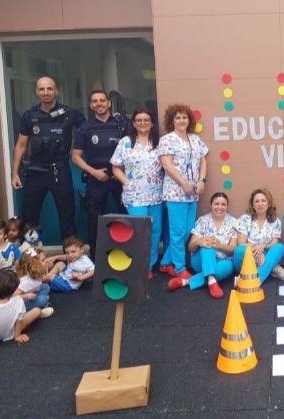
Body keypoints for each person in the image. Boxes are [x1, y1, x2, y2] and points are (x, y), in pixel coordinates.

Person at [11, 76, 86, 239]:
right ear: (37, 92)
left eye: (49, 89)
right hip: (35, 171)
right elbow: (21, 145)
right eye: (42, 89)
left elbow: (89, 131)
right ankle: (30, 259)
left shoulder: (70, 113)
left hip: (60, 170)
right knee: (29, 217)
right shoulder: (29, 116)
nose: (46, 92)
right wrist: (14, 173)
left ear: (56, 91)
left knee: (67, 216)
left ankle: (71, 258)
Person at [73, 90, 129, 258]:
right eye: (95, 101)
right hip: (96, 178)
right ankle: (97, 258)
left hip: (119, 177)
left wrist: (121, 170)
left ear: (109, 103)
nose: (99, 104)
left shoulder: (122, 125)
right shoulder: (85, 128)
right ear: (91, 105)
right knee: (94, 220)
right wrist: (94, 172)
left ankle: (127, 253)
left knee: (126, 217)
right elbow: (75, 157)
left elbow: (132, 151)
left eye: (102, 100)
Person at [111, 107, 163, 279]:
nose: (142, 123)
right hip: (134, 196)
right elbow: (116, 167)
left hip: (156, 194)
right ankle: (139, 265)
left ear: (152, 123)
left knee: (155, 231)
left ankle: (150, 265)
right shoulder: (125, 142)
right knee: (140, 231)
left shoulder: (159, 142)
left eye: (146, 120)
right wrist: (127, 182)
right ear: (133, 123)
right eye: (139, 120)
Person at [157, 104, 208, 280]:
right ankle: (179, 268)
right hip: (175, 193)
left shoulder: (195, 139)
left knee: (187, 231)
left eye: (184, 117)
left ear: (189, 120)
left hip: (193, 192)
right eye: (177, 117)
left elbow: (203, 160)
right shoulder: (167, 139)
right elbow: (167, 164)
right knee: (177, 232)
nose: (181, 120)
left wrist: (201, 181)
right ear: (172, 120)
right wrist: (184, 183)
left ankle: (165, 262)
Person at [167, 192, 237, 298]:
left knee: (227, 266)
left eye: (223, 204)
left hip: (222, 262)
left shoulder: (233, 222)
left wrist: (219, 245)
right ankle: (211, 281)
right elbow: (190, 247)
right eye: (216, 204)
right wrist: (199, 242)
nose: (220, 207)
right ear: (211, 205)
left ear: (227, 207)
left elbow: (233, 249)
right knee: (207, 246)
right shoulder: (202, 220)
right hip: (201, 261)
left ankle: (186, 282)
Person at [234, 188, 284, 283]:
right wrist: (257, 252)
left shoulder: (275, 221)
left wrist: (263, 246)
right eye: (256, 201)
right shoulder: (245, 219)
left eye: (263, 201)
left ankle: (254, 281)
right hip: (246, 259)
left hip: (265, 255)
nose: (260, 204)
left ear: (268, 203)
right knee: (240, 250)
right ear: (252, 205)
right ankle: (273, 268)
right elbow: (241, 243)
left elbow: (274, 242)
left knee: (279, 247)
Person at [0, 270, 44, 343]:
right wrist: (17, 336)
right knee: (37, 311)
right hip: (12, 332)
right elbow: (19, 321)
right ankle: (39, 313)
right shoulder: (19, 301)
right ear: (13, 292)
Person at [14, 248, 53, 317]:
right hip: (19, 305)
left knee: (45, 287)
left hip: (30, 294)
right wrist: (28, 296)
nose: (46, 261)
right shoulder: (26, 282)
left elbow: (42, 279)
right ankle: (30, 312)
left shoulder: (34, 275)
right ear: (34, 266)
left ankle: (37, 305)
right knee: (43, 300)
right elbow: (13, 297)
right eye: (43, 260)